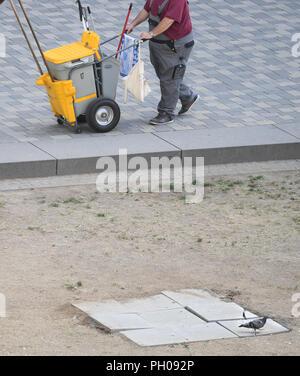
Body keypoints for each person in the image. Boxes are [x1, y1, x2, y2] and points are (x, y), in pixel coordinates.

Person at [126, 0, 199, 125]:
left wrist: (151, 33)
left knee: (170, 77)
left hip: (175, 44)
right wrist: (132, 24)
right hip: (159, 43)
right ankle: (188, 97)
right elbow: (147, 9)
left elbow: (169, 19)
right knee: (167, 75)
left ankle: (166, 112)